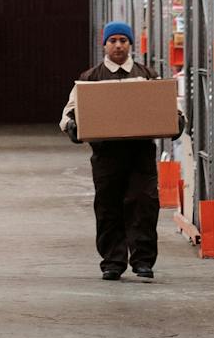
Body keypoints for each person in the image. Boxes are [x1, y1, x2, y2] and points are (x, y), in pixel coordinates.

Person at [61, 21, 160, 281]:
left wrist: (177, 121)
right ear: (104, 44)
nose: (118, 45)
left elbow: (167, 107)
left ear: (130, 44)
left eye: (123, 40)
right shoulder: (90, 78)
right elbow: (69, 112)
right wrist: (72, 126)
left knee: (144, 204)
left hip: (141, 155)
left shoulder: (147, 75)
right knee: (108, 206)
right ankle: (113, 262)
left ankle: (143, 261)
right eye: (113, 40)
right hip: (107, 156)